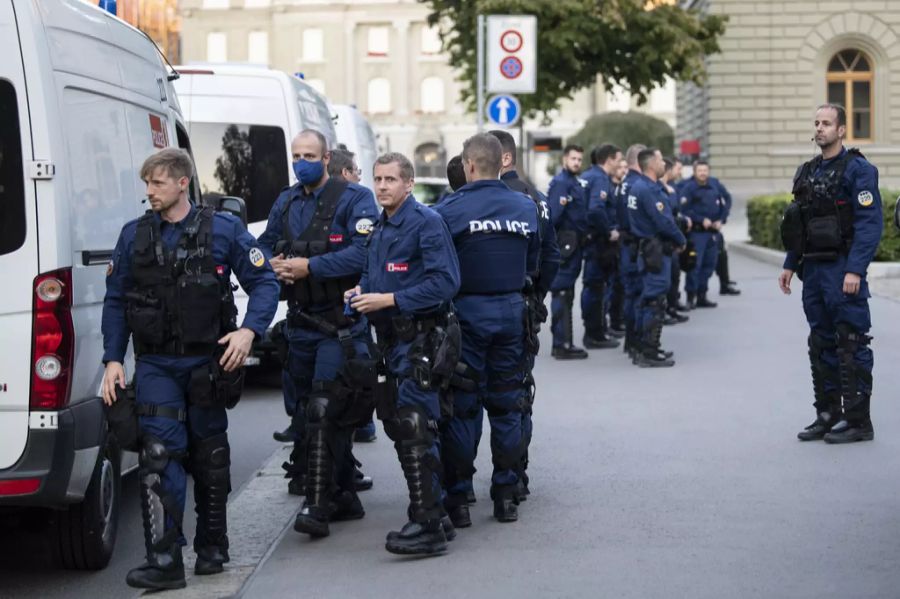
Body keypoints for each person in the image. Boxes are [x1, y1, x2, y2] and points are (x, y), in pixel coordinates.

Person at [101, 148, 279, 590]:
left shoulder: (224, 230)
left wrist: (249, 331)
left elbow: (265, 283)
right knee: (159, 456)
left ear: (182, 183)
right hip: (157, 364)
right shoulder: (133, 236)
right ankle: (164, 560)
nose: (149, 192)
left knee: (210, 455)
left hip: (207, 362)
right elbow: (116, 301)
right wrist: (111, 359)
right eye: (147, 184)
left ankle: (213, 547)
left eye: (157, 183)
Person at [257, 129, 379, 537]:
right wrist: (271, 263)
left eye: (309, 154)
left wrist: (310, 267)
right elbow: (263, 245)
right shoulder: (286, 200)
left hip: (340, 325)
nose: (301, 161)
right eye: (296, 155)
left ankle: (319, 504)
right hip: (301, 323)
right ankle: (344, 494)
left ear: (326, 157)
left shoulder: (355, 198)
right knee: (308, 414)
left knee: (327, 410)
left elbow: (364, 252)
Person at [347, 152, 460, 555]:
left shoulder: (426, 222)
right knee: (402, 429)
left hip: (421, 342)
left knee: (416, 427)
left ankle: (427, 524)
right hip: (390, 343)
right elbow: (372, 275)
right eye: (377, 179)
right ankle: (435, 514)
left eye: (390, 180)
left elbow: (446, 283)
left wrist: (389, 299)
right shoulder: (380, 225)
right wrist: (360, 293)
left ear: (408, 184)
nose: (381, 187)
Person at [434, 133, 540, 525]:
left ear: (469, 165)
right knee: (509, 404)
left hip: (466, 316)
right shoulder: (525, 207)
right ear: (502, 163)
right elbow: (534, 262)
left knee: (463, 409)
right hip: (512, 312)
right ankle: (507, 493)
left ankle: (459, 501)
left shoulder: (449, 209)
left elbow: (440, 268)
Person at [779, 103, 882, 444]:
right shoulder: (807, 172)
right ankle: (827, 414)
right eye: (817, 123)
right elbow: (800, 224)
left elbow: (869, 225)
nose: (820, 128)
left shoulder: (858, 170)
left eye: (827, 123)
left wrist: (855, 269)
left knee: (850, 342)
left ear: (841, 130)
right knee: (820, 341)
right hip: (814, 270)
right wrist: (790, 264)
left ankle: (858, 421)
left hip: (842, 268)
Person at [490, 128, 560, 500]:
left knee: (476, 401)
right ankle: (516, 476)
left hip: (480, 313)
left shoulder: (488, 197)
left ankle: (463, 491)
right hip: (523, 308)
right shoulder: (538, 197)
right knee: (516, 397)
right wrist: (536, 296)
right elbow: (551, 256)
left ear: (503, 158)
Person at [328, 148, 377, 444]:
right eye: (357, 170)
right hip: (349, 300)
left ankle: (360, 426)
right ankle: (362, 425)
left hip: (346, 299)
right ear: (345, 172)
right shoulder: (358, 196)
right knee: (357, 360)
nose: (360, 176)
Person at [626, 148, 686, 367]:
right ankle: (648, 352)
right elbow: (663, 222)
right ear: (651, 164)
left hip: (647, 248)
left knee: (649, 299)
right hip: (654, 250)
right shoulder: (648, 189)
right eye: (661, 160)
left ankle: (646, 347)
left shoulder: (639, 186)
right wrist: (681, 239)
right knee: (655, 300)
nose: (664, 165)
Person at [547, 144, 589, 359]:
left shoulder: (574, 183)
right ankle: (561, 344)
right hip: (565, 246)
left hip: (574, 245)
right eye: (573, 159)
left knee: (568, 294)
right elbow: (552, 218)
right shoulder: (561, 184)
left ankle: (566, 342)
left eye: (579, 159)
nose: (577, 163)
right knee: (562, 293)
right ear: (565, 160)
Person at [581, 144, 623, 348]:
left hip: (590, 240)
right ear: (609, 160)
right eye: (618, 159)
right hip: (598, 242)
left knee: (593, 287)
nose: (619, 164)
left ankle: (596, 330)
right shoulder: (599, 179)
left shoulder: (589, 176)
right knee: (596, 288)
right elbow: (595, 210)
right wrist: (609, 232)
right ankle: (594, 334)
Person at [679, 161, 724, 309]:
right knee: (695, 266)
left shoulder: (714, 187)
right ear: (694, 172)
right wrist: (699, 219)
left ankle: (702, 295)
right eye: (700, 170)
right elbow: (684, 210)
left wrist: (721, 220)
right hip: (697, 234)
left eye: (705, 170)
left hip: (712, 233)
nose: (703, 173)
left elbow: (723, 205)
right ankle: (690, 297)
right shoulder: (689, 188)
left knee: (709, 265)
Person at [616, 144, 646, 360]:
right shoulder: (638, 185)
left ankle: (630, 341)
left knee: (630, 295)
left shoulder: (623, 185)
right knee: (638, 296)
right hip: (636, 246)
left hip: (625, 245)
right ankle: (637, 343)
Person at [661, 158, 689, 324]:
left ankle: (671, 307)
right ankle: (665, 310)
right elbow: (666, 218)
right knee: (664, 280)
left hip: (672, 239)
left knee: (674, 275)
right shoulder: (659, 189)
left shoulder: (671, 189)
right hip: (664, 241)